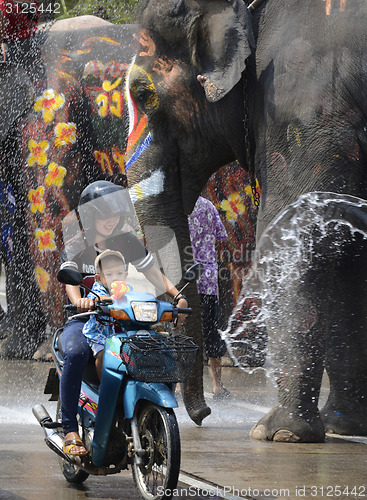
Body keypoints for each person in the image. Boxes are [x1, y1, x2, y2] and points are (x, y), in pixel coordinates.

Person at [60, 181, 188, 457]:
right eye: (104, 214)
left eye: (115, 214)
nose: (111, 220)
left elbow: (153, 272)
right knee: (75, 351)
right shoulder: (76, 243)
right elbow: (70, 280)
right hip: (85, 319)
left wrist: (177, 297)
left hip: (119, 317)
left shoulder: (126, 240)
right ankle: (69, 429)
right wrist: (78, 301)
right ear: (91, 214)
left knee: (151, 349)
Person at [188, 196, 230, 400]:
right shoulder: (208, 206)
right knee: (212, 330)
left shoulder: (174, 205)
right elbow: (221, 239)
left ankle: (181, 385)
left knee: (184, 330)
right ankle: (217, 385)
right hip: (207, 279)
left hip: (184, 278)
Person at [83, 250, 129, 379]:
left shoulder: (128, 289)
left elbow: (136, 298)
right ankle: (106, 386)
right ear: (98, 278)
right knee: (103, 354)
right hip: (101, 334)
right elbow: (95, 298)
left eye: (119, 273)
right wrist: (104, 299)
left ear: (125, 275)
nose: (115, 277)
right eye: (109, 274)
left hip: (124, 333)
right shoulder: (98, 289)